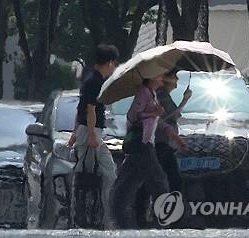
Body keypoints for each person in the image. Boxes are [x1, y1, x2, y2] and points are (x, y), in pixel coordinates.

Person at [111, 65, 187, 229]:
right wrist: (153, 113)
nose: (162, 77)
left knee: (128, 182)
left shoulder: (152, 95)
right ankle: (163, 220)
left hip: (146, 144)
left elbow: (158, 122)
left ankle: (116, 215)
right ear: (152, 78)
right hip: (141, 144)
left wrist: (175, 137)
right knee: (158, 181)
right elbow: (133, 115)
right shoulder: (144, 93)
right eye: (159, 75)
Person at [67, 44, 119, 228]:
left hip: (86, 130)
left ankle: (90, 211)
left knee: (89, 170)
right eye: (114, 64)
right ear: (109, 62)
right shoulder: (95, 82)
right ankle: (97, 213)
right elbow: (90, 110)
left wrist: (75, 132)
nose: (114, 68)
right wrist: (91, 135)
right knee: (99, 171)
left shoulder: (90, 79)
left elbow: (79, 109)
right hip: (91, 131)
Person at [134, 69, 192, 228]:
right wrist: (185, 100)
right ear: (165, 79)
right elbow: (170, 116)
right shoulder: (161, 95)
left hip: (165, 145)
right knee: (165, 179)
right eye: (174, 78)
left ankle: (170, 213)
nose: (177, 81)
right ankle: (148, 212)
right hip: (161, 144)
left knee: (167, 179)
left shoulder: (162, 94)